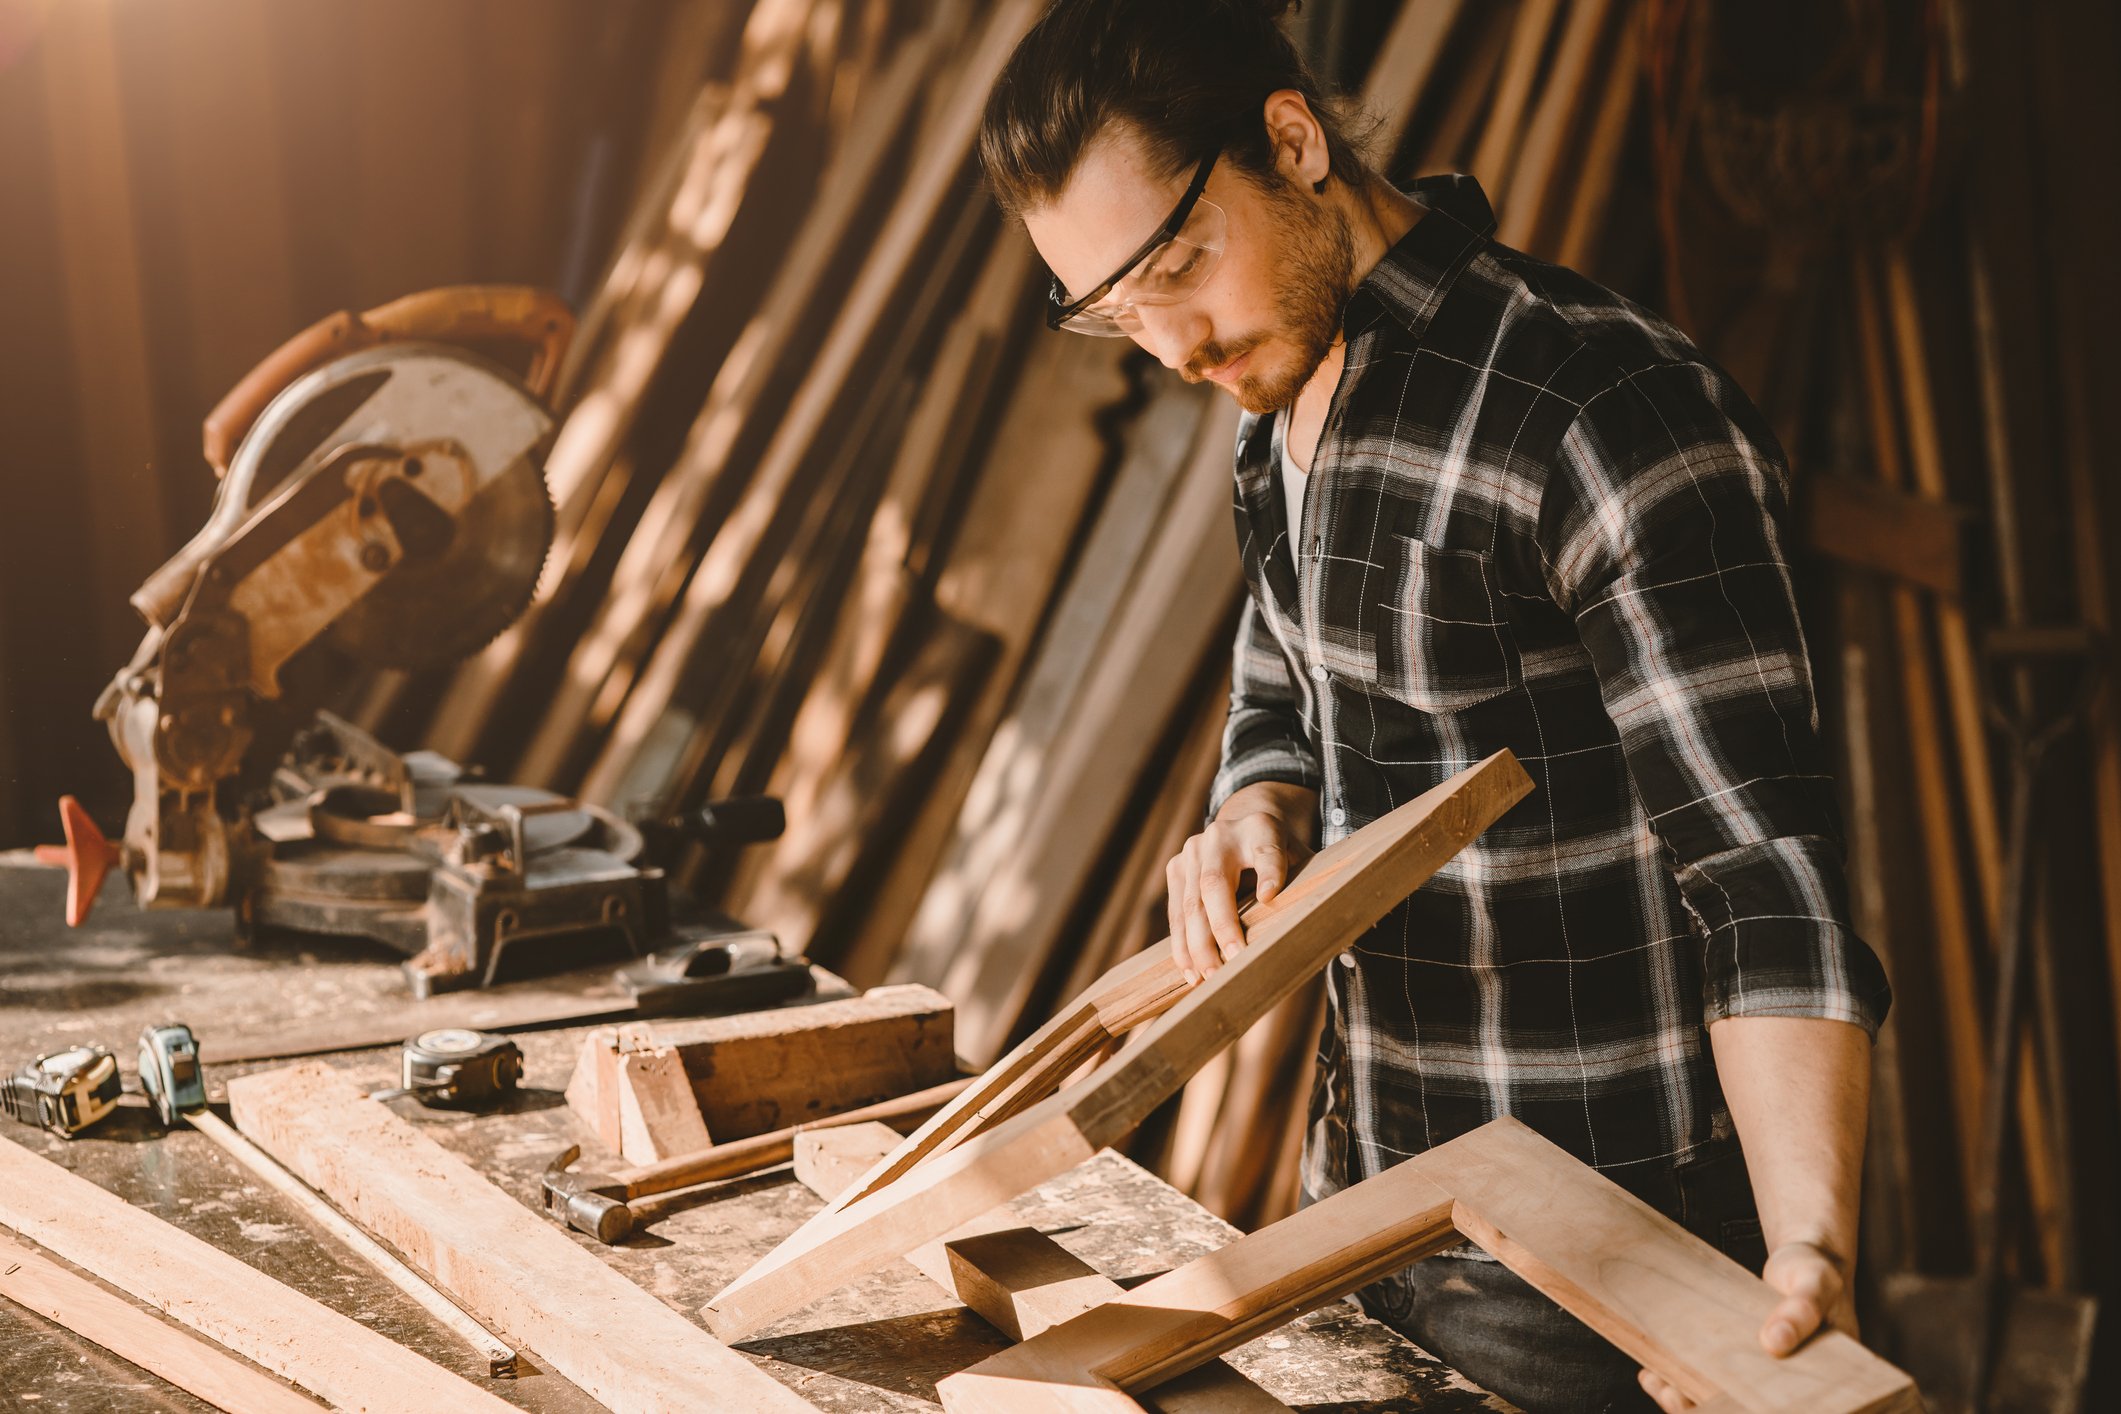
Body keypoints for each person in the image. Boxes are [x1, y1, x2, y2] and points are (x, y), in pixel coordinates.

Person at [977, 2, 1894, 1410]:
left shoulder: (1604, 410)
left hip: (1605, 1240)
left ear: (1289, 142)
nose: (1166, 346)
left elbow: (1759, 872)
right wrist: (1255, 795)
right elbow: (1283, 666)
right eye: (1111, 311)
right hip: (1366, 1191)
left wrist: (1799, 1248)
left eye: (1174, 267)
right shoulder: (1277, 400)